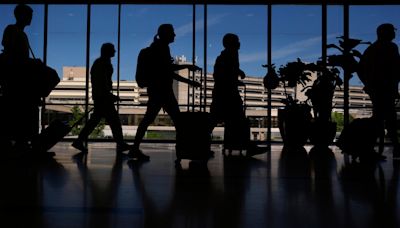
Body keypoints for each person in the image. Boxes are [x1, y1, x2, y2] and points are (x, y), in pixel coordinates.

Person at [129, 24, 201, 160]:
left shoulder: (158, 48)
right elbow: (167, 70)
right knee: (178, 122)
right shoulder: (161, 48)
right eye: (172, 33)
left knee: (148, 120)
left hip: (157, 91)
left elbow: (166, 70)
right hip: (163, 92)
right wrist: (187, 70)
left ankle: (135, 148)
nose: (174, 35)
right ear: (166, 34)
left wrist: (188, 74)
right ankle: (183, 151)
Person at [210, 33, 266, 156]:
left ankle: (200, 144)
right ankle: (247, 146)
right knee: (231, 119)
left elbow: (224, 73)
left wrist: (237, 73)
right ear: (230, 43)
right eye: (236, 41)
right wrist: (235, 77)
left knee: (223, 120)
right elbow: (222, 75)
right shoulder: (228, 56)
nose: (239, 43)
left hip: (225, 93)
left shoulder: (229, 55)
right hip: (226, 94)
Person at [72, 43, 130, 154]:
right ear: (107, 51)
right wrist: (110, 95)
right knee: (113, 121)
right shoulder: (102, 63)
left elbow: (101, 82)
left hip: (101, 97)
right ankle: (120, 143)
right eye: (113, 49)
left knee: (96, 121)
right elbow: (102, 83)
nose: (115, 51)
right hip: (103, 97)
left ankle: (79, 140)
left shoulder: (100, 63)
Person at [1, 4, 40, 153]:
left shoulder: (18, 32)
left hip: (18, 77)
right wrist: (31, 62)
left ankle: (19, 140)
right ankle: (20, 140)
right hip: (15, 78)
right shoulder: (13, 31)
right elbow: (13, 55)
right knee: (19, 108)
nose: (31, 19)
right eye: (29, 15)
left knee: (19, 109)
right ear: (22, 15)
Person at [358, 23, 400, 160]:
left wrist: (368, 84)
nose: (395, 34)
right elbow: (395, 70)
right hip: (386, 89)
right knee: (389, 119)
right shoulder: (391, 47)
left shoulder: (371, 49)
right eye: (392, 31)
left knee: (380, 118)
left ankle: (369, 148)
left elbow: (361, 69)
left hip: (376, 89)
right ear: (386, 33)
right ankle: (396, 149)